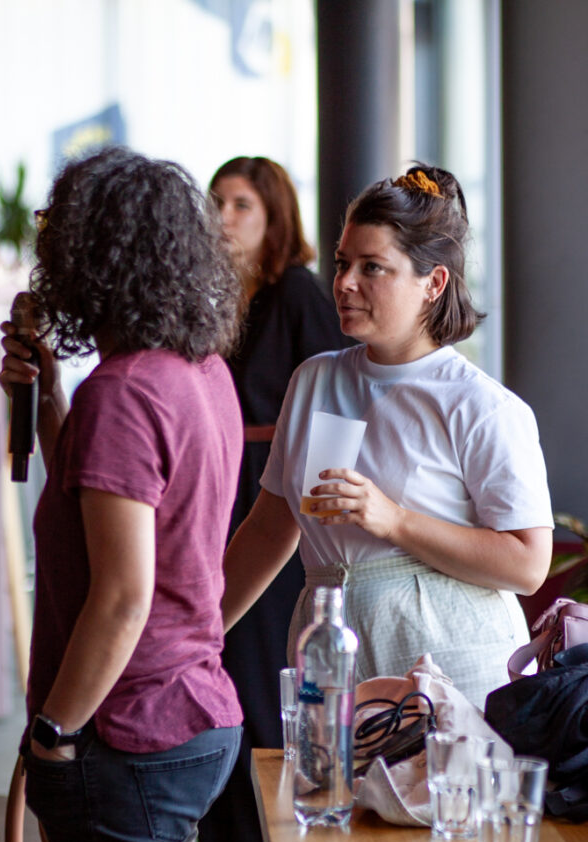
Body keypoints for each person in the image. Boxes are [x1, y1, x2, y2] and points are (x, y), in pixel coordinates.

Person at [0, 146, 244, 842]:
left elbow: (123, 595)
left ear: (90, 255)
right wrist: (45, 389)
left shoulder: (125, 392)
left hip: (125, 729)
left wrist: (52, 734)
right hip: (190, 712)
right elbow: (94, 487)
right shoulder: (196, 370)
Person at [220, 163, 554, 713]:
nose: (345, 283)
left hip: (450, 654)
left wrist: (393, 519)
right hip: (331, 645)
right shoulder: (316, 380)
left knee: (441, 800)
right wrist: (196, 639)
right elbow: (269, 528)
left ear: (433, 283)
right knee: (324, 796)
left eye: (372, 267)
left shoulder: (480, 404)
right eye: (342, 263)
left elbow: (526, 564)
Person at [197, 156, 350, 842]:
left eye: (241, 204)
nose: (223, 215)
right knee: (225, 669)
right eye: (217, 201)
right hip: (224, 491)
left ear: (274, 216)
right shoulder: (220, 294)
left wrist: (317, 501)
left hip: (276, 502)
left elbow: (336, 394)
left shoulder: (296, 291)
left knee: (265, 681)